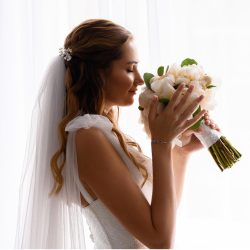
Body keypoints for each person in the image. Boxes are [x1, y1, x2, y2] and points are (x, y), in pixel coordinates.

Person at [15, 19, 220, 249]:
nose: (141, 80)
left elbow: (163, 219)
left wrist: (181, 153)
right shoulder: (87, 136)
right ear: (98, 73)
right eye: (130, 69)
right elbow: (160, 241)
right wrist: (160, 142)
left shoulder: (102, 131)